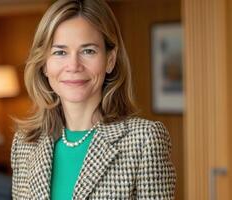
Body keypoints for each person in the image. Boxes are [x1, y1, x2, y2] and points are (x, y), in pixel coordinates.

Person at [11, 0, 176, 199]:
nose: (73, 65)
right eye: (60, 52)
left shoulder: (144, 140)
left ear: (110, 60)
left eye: (88, 51)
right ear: (44, 64)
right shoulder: (25, 143)